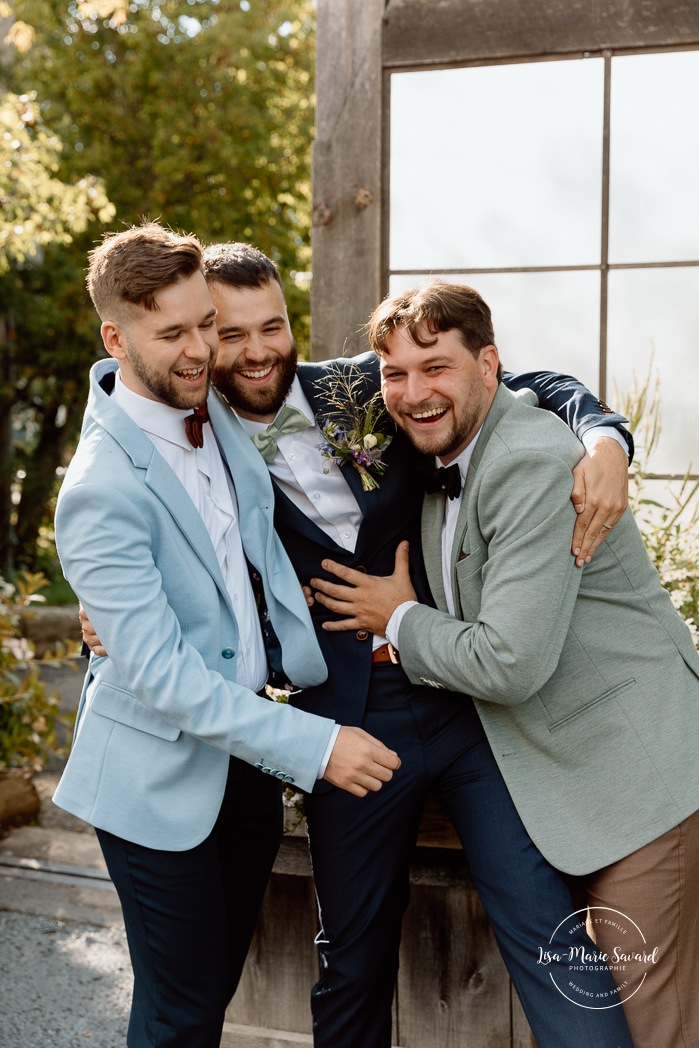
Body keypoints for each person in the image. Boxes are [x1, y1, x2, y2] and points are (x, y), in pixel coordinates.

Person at [82, 243, 634, 1048]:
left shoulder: (362, 387)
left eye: (271, 326)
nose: (254, 351)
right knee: (351, 955)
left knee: (542, 921)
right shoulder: (193, 436)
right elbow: (149, 518)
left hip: (459, 693)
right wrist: (108, 614)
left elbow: (518, 383)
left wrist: (605, 438)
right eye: (227, 333)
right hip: (341, 715)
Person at [311, 278, 699, 1048]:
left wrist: (396, 617)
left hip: (634, 777)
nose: (413, 392)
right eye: (395, 373)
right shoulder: (436, 447)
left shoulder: (526, 460)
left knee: (654, 1022)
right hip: (554, 783)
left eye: (436, 367)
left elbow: (509, 662)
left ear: (488, 366)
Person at [52, 222, 400, 1048]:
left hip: (242, 765)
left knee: (211, 996)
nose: (202, 350)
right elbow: (165, 680)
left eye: (205, 323)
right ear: (116, 339)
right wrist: (317, 745)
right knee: (178, 1015)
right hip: (155, 778)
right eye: (172, 334)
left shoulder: (212, 404)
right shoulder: (99, 488)